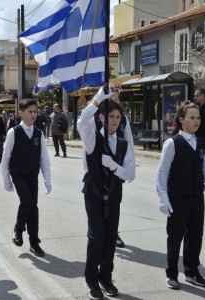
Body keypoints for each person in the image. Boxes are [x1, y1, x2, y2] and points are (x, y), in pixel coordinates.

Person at [78, 86, 136, 299]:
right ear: (102, 117)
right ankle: (91, 280)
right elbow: (81, 122)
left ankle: (105, 278)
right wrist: (98, 98)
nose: (115, 120)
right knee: (97, 236)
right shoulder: (93, 138)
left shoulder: (122, 144)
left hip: (113, 195)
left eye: (118, 117)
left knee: (111, 238)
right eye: (111, 116)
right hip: (93, 193)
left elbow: (130, 174)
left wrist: (113, 165)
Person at [156, 102, 205, 290]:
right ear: (181, 119)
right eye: (192, 117)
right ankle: (172, 274)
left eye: (198, 117)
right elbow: (162, 172)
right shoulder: (172, 143)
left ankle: (192, 271)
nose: (196, 121)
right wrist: (163, 197)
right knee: (175, 237)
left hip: (196, 197)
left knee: (195, 235)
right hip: (177, 197)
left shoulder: (201, 143)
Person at [1, 99, 52, 257]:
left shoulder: (39, 133)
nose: (33, 114)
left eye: (35, 111)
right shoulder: (13, 132)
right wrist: (6, 180)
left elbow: (44, 158)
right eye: (29, 111)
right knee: (27, 202)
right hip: (18, 174)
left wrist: (47, 179)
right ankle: (18, 228)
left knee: (33, 208)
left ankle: (34, 242)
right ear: (21, 113)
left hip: (32, 175)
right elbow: (6, 158)